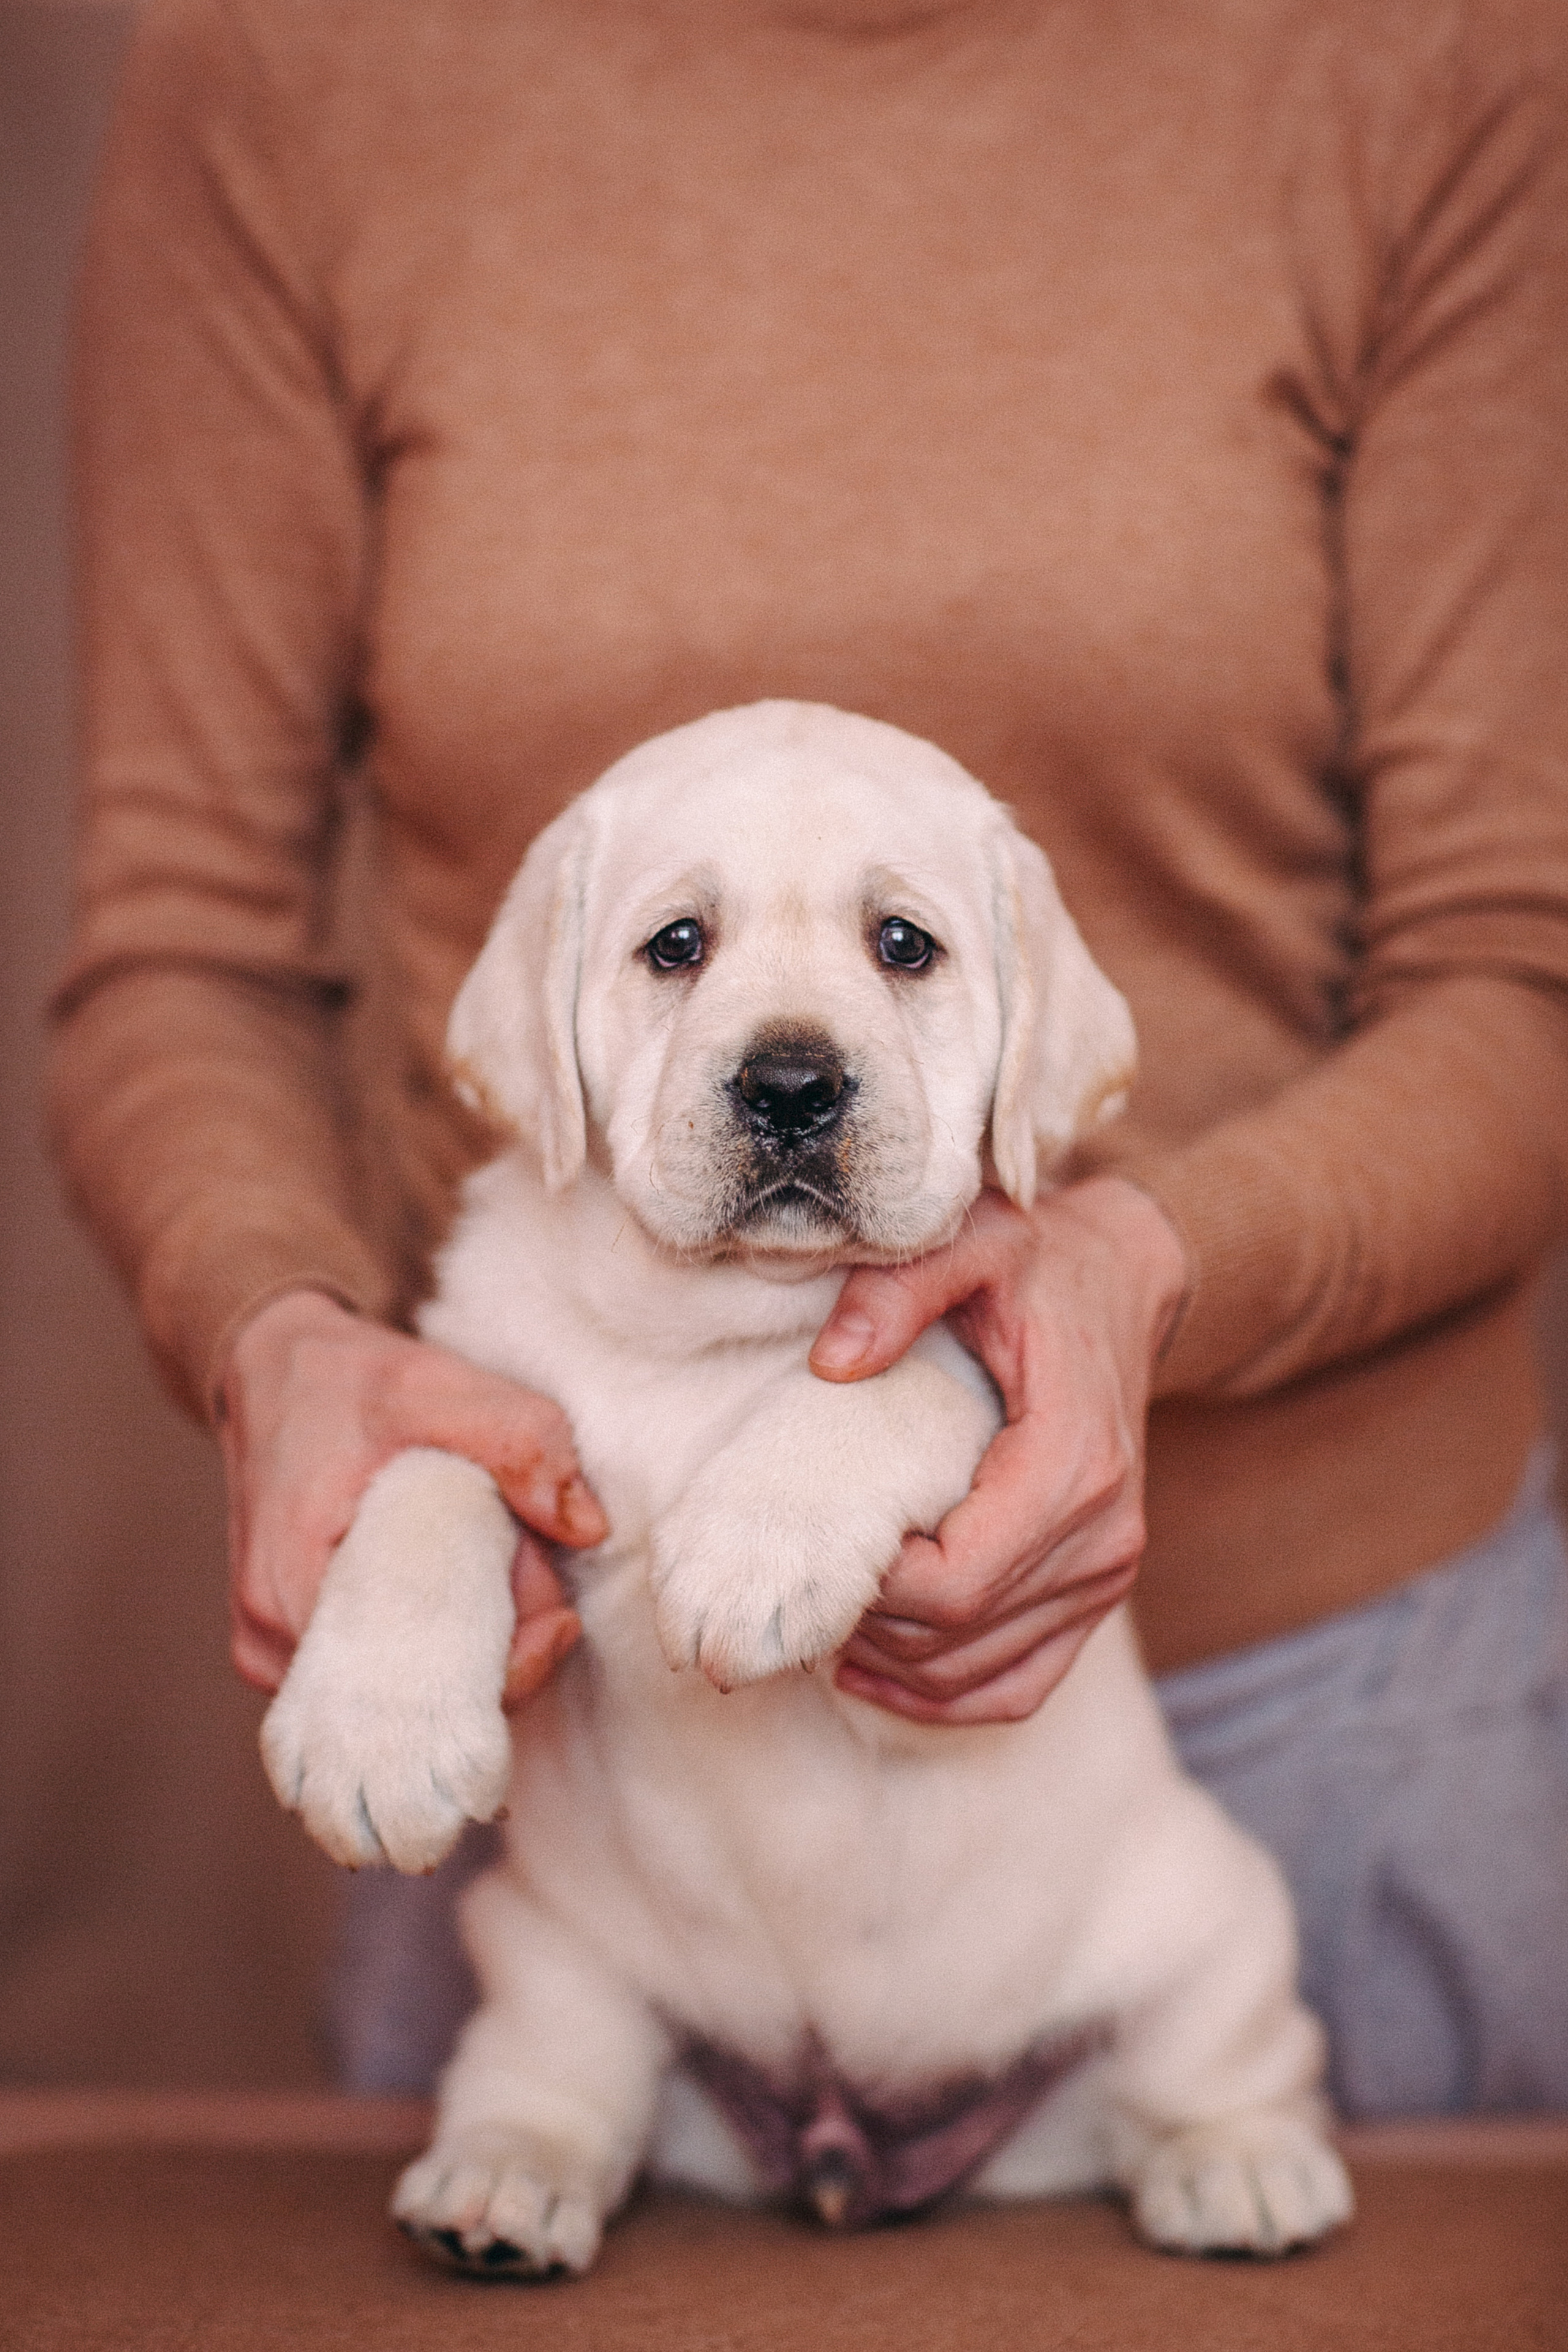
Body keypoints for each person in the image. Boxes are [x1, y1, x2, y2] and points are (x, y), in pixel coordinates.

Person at [51, 0, 1568, 2118]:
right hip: (585, 1781)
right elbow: (186, 941)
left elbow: (1518, 965)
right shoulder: (285, 59)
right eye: (675, 952)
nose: (788, 1055)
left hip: (1314, 1725)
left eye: (898, 951)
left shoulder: (1433, 50)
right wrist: (278, 1334)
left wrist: (1138, 1265)